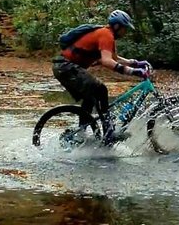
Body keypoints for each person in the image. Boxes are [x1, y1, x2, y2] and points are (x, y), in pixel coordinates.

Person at [52, 10, 151, 145]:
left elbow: (114, 58)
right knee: (100, 89)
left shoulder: (106, 34)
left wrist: (135, 62)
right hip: (66, 67)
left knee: (91, 96)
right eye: (124, 28)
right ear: (117, 26)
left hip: (64, 67)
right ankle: (108, 131)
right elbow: (107, 61)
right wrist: (134, 72)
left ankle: (84, 132)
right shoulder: (106, 34)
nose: (125, 32)